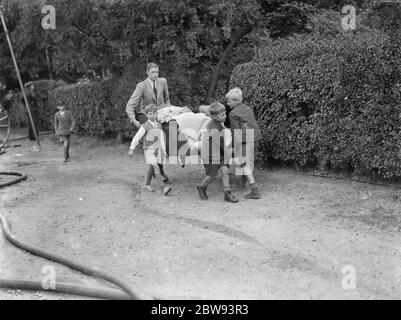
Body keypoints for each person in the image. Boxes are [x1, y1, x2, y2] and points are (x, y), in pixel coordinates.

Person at [126, 62, 170, 181]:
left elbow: (167, 99)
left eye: (157, 72)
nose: (155, 74)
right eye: (153, 72)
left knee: (169, 129)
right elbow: (130, 105)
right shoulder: (141, 86)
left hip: (160, 113)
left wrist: (167, 111)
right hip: (145, 114)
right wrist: (133, 119)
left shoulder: (163, 81)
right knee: (154, 135)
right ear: (147, 73)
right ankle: (160, 172)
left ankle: (164, 158)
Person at [196, 102, 238, 203]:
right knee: (212, 175)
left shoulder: (218, 123)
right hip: (211, 156)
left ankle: (227, 193)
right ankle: (202, 187)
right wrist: (228, 152)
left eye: (225, 113)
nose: (225, 116)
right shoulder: (213, 126)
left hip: (219, 154)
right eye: (222, 115)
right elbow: (220, 143)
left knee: (224, 171)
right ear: (214, 116)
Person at [226, 87, 262, 199]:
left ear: (235, 101)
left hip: (245, 140)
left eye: (229, 101)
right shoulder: (248, 108)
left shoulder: (233, 113)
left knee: (243, 162)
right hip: (255, 137)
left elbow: (236, 132)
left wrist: (232, 146)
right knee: (249, 161)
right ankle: (243, 183)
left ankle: (254, 190)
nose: (227, 103)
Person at [129, 104, 171, 195]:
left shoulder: (159, 125)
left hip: (158, 150)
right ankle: (163, 188)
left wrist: (163, 150)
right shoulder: (145, 126)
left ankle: (147, 184)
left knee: (152, 168)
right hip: (149, 150)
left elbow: (161, 138)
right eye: (150, 113)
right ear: (147, 115)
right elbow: (137, 137)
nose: (152, 115)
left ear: (157, 114)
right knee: (156, 167)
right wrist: (132, 148)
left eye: (154, 113)